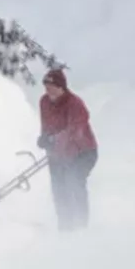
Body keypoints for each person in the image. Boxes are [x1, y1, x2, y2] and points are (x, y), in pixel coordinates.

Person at [36, 66, 98, 230]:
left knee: (74, 181)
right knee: (58, 189)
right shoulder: (44, 102)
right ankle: (65, 227)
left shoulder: (75, 104)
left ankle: (81, 226)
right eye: (46, 87)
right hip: (58, 154)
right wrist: (44, 139)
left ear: (61, 87)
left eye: (52, 88)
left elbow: (75, 131)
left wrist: (54, 139)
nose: (49, 91)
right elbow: (46, 125)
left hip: (83, 153)